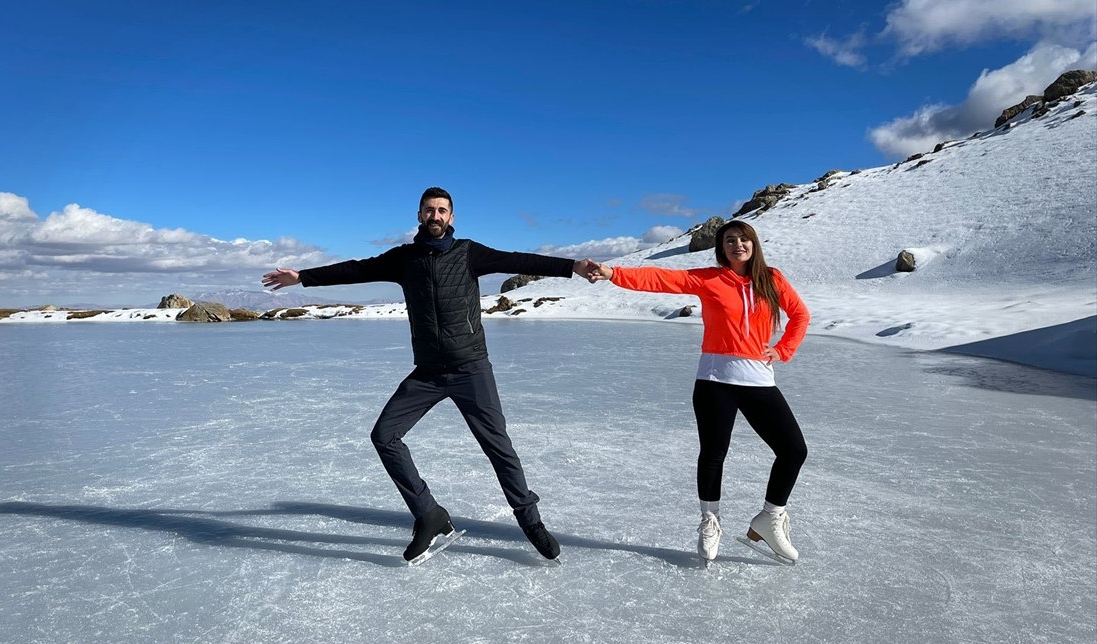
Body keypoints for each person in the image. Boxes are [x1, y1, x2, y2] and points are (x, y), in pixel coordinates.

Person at [263, 187, 592, 564]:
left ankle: (530, 521)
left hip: (471, 369)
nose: (435, 216)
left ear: (451, 217)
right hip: (429, 373)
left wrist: (572, 267)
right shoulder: (404, 259)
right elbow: (356, 268)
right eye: (429, 210)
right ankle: (429, 514)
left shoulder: (470, 253)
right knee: (384, 436)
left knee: (498, 448)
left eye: (442, 211)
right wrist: (302, 277)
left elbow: (518, 259)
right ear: (419, 216)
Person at [586, 220, 810, 563]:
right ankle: (710, 520)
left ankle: (770, 518)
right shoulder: (710, 279)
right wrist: (612, 272)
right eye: (730, 240)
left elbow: (800, 315)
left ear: (754, 244)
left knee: (793, 450)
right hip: (714, 380)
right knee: (713, 453)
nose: (738, 245)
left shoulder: (772, 279)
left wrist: (782, 350)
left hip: (758, 379)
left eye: (743, 239)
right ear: (721, 248)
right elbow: (660, 279)